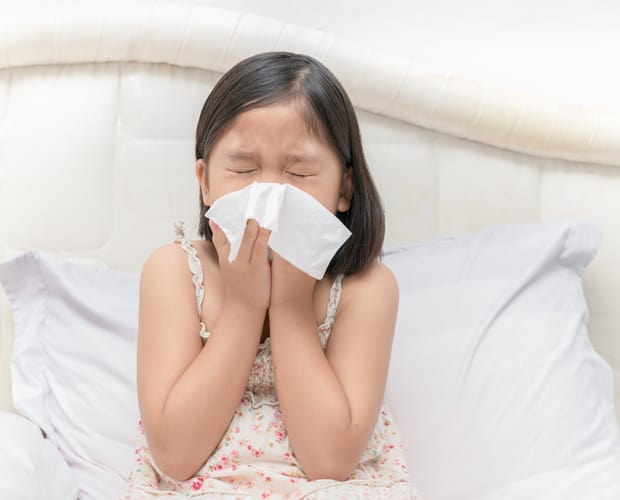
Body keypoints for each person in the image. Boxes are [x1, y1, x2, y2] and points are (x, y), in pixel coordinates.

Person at [120, 51, 422, 498]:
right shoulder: (176, 272)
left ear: (343, 188)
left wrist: (290, 305)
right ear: (205, 183)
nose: (271, 197)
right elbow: (175, 454)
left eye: (299, 173)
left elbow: (330, 460)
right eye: (243, 170)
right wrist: (244, 305)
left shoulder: (365, 288)